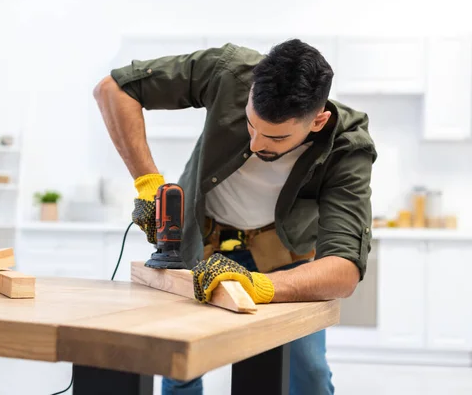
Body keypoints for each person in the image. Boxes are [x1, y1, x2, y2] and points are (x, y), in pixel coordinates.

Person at [93, 38, 377, 395]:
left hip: (284, 261)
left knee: (308, 374)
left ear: (317, 121)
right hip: (204, 245)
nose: (256, 144)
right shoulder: (229, 73)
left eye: (276, 137)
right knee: (180, 363)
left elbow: (344, 270)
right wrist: (149, 184)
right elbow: (113, 90)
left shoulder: (348, 145)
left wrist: (259, 286)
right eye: (250, 124)